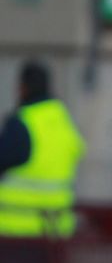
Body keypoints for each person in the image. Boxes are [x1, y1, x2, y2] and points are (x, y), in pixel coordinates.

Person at [0, 61, 84, 239]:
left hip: (18, 227)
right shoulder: (63, 121)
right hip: (56, 229)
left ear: (23, 87)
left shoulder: (22, 123)